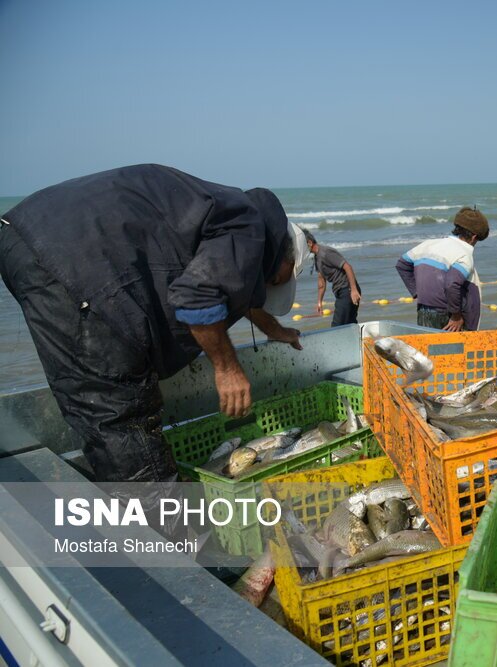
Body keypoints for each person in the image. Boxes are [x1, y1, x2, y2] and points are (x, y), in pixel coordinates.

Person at [0, 164, 308, 484]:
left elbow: (225, 281)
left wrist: (273, 328)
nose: (274, 284)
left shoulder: (229, 210)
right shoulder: (248, 225)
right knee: (121, 424)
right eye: (281, 279)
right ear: (283, 256)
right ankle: (159, 529)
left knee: (97, 418)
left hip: (26, 235)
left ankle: (131, 511)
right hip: (75, 264)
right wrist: (227, 368)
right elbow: (198, 295)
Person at [396, 207, 488, 331]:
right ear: (473, 237)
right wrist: (456, 316)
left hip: (424, 310)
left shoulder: (428, 244)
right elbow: (452, 283)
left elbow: (402, 264)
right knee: (451, 349)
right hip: (447, 315)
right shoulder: (464, 254)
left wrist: (416, 291)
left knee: (429, 347)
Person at [303, 229, 362, 326]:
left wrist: (354, 290)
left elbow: (347, 267)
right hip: (341, 292)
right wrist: (319, 302)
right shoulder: (317, 258)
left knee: (337, 326)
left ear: (309, 243)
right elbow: (321, 281)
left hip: (347, 290)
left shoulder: (326, 253)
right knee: (349, 325)